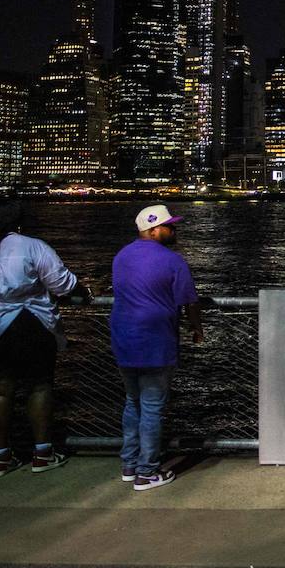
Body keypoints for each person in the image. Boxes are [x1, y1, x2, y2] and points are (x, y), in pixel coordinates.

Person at [0, 198, 90, 477]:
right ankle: (42, 454)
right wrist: (83, 291)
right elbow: (61, 283)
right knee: (39, 387)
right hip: (29, 324)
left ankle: (1, 459)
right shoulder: (31, 246)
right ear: (18, 222)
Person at [109, 203, 203, 491]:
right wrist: (196, 328)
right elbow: (189, 301)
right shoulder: (173, 261)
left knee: (132, 401)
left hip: (123, 336)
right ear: (153, 229)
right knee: (152, 407)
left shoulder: (121, 256)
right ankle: (147, 471)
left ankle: (129, 463)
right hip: (156, 339)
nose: (174, 229)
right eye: (168, 225)